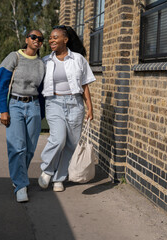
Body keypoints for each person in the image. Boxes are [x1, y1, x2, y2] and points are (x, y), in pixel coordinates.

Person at [38, 25, 95, 192]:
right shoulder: (46, 61)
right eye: (50, 38)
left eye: (55, 37)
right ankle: (47, 170)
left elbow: (84, 85)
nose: (51, 40)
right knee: (58, 139)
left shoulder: (78, 59)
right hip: (54, 102)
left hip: (75, 103)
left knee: (71, 144)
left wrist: (90, 108)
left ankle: (59, 178)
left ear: (65, 39)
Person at [0, 29, 45, 202]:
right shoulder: (14, 57)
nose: (37, 40)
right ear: (26, 39)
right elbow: (1, 83)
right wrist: (4, 110)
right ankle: (20, 185)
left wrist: (42, 113)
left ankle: (18, 177)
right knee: (17, 147)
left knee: (30, 149)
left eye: (40, 39)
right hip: (15, 105)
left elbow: (42, 90)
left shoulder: (41, 63)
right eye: (33, 37)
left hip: (34, 105)